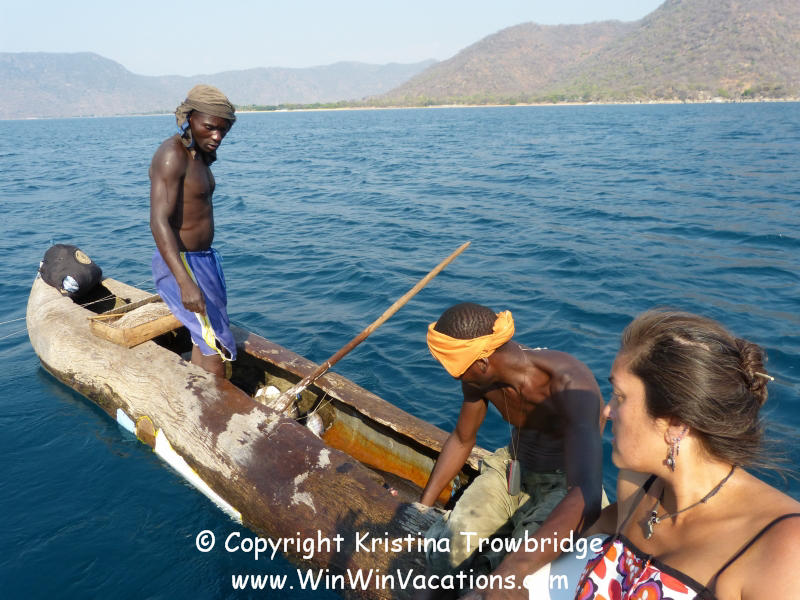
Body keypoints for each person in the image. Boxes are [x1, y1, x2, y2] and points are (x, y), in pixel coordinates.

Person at [574, 309, 800, 600]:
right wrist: (524, 561)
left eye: (619, 396)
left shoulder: (783, 548)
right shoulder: (637, 485)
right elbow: (598, 525)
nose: (608, 410)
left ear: (677, 424)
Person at [417, 302, 606, 599]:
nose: (454, 377)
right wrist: (422, 507)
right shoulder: (479, 378)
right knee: (448, 551)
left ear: (482, 363)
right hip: (511, 469)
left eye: (455, 369)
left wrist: (512, 573)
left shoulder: (571, 383)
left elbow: (587, 494)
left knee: (520, 571)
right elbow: (463, 439)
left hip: (564, 485)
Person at [149, 85, 237, 377]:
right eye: (210, 127)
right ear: (189, 118)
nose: (217, 136)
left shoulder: (197, 154)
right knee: (216, 347)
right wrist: (185, 282)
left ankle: (198, 394)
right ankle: (217, 406)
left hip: (203, 260)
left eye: (223, 130)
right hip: (183, 263)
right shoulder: (172, 154)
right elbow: (159, 221)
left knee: (204, 339)